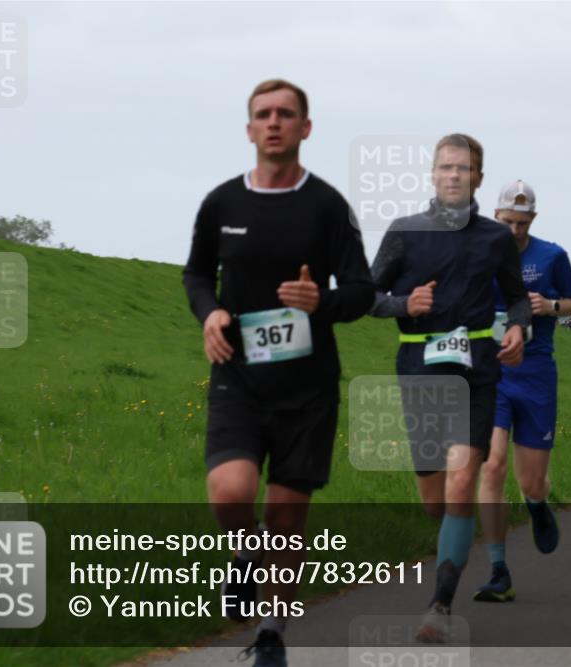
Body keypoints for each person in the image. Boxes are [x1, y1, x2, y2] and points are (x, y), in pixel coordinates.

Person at [182, 79, 375, 667]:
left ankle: (271, 633)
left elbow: (363, 291)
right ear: (249, 130)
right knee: (231, 491)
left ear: (305, 128)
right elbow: (194, 275)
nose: (274, 123)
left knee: (287, 515)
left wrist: (322, 303)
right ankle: (244, 558)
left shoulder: (328, 206)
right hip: (238, 376)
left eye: (285, 114)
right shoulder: (221, 203)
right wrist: (210, 312)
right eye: (263, 114)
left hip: (308, 387)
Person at [369, 134, 529, 642]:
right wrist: (402, 305)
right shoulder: (405, 232)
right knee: (434, 500)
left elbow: (519, 299)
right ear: (433, 175)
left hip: (478, 370)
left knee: (463, 482)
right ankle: (446, 542)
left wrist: (519, 327)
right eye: (446, 167)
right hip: (419, 368)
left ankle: (440, 604)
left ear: (478, 177)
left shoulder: (495, 237)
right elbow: (365, 295)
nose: (455, 175)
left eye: (464, 168)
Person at [474, 180, 571, 603]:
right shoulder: (480, 252)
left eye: (521, 223)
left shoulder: (552, 256)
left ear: (532, 220)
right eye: (506, 222)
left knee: (532, 481)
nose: (513, 231)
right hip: (493, 370)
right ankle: (499, 569)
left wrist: (550, 307)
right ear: (494, 217)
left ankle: (536, 505)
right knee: (492, 465)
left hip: (536, 370)